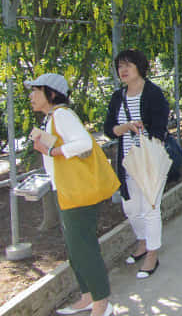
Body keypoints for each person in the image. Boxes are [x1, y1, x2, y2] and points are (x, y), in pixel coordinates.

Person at [26, 73, 117, 316]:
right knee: (75, 249)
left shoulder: (62, 115)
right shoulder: (53, 118)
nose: (31, 96)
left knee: (84, 248)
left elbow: (84, 143)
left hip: (77, 192)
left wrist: (53, 150)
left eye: (36, 90)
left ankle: (102, 304)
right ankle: (88, 297)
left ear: (52, 93)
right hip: (66, 190)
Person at [104, 49, 169, 279]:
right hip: (126, 162)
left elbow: (161, 129)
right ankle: (142, 244)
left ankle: (152, 254)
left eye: (128, 65)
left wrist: (144, 130)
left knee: (149, 208)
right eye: (120, 66)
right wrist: (123, 128)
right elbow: (108, 128)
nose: (123, 70)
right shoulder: (117, 97)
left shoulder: (153, 94)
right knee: (131, 208)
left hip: (149, 160)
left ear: (140, 67)